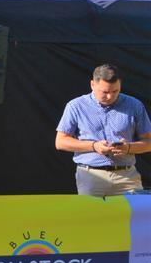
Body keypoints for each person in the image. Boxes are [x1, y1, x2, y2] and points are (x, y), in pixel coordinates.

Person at [55, 64, 150, 196]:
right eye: (105, 92)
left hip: (127, 177)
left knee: (136, 216)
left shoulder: (134, 105)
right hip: (91, 176)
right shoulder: (76, 106)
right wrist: (94, 146)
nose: (110, 96)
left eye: (115, 91)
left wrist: (128, 148)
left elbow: (149, 142)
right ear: (92, 85)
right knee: (91, 216)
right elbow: (60, 142)